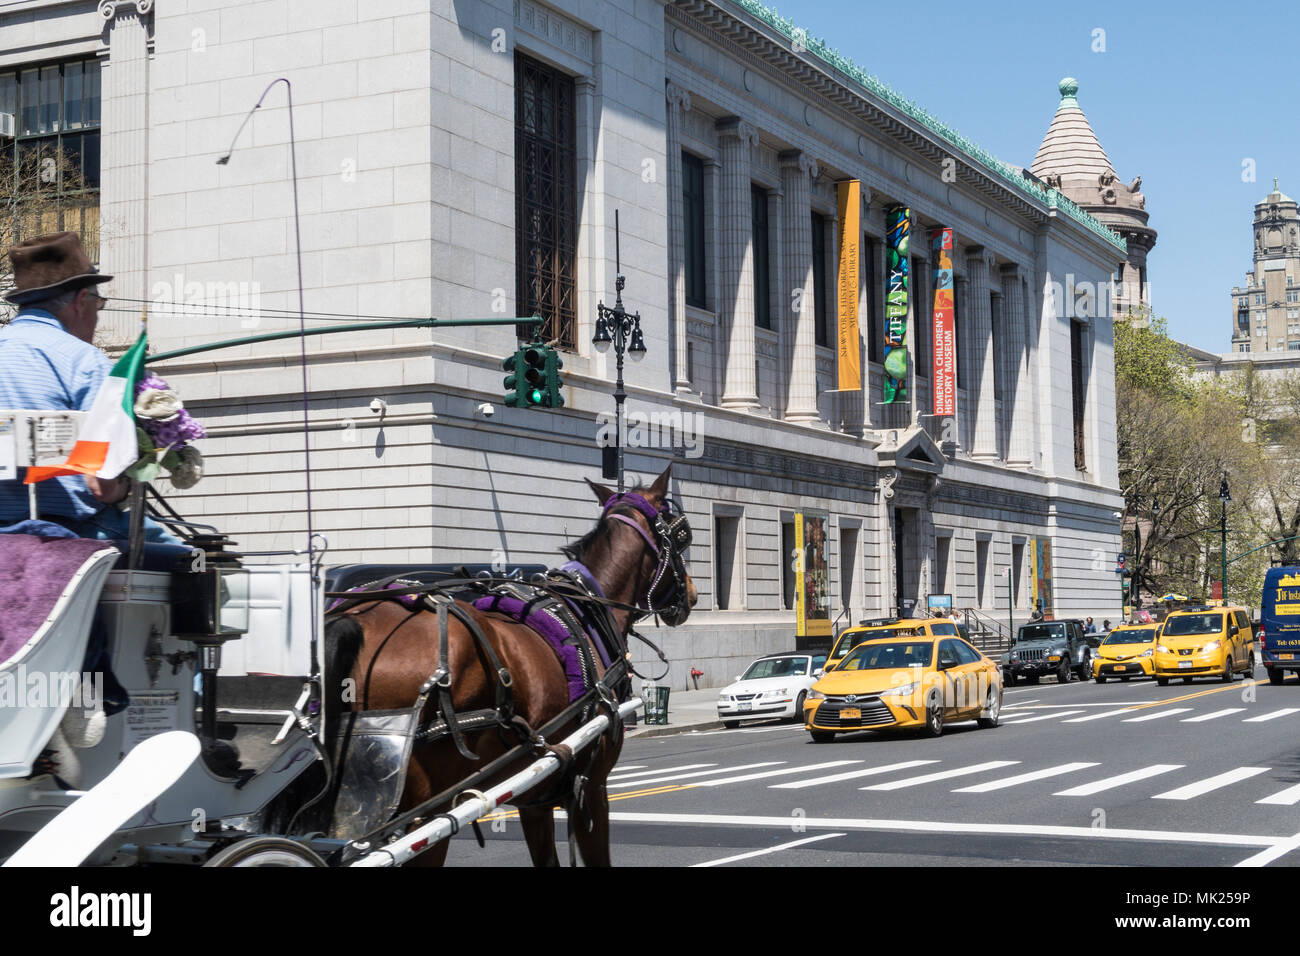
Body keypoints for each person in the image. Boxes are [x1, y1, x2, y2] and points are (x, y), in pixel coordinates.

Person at [0, 232, 178, 543]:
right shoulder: (86, 363)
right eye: (99, 303)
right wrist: (128, 483)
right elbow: (102, 486)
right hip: (73, 536)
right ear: (82, 300)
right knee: (195, 563)